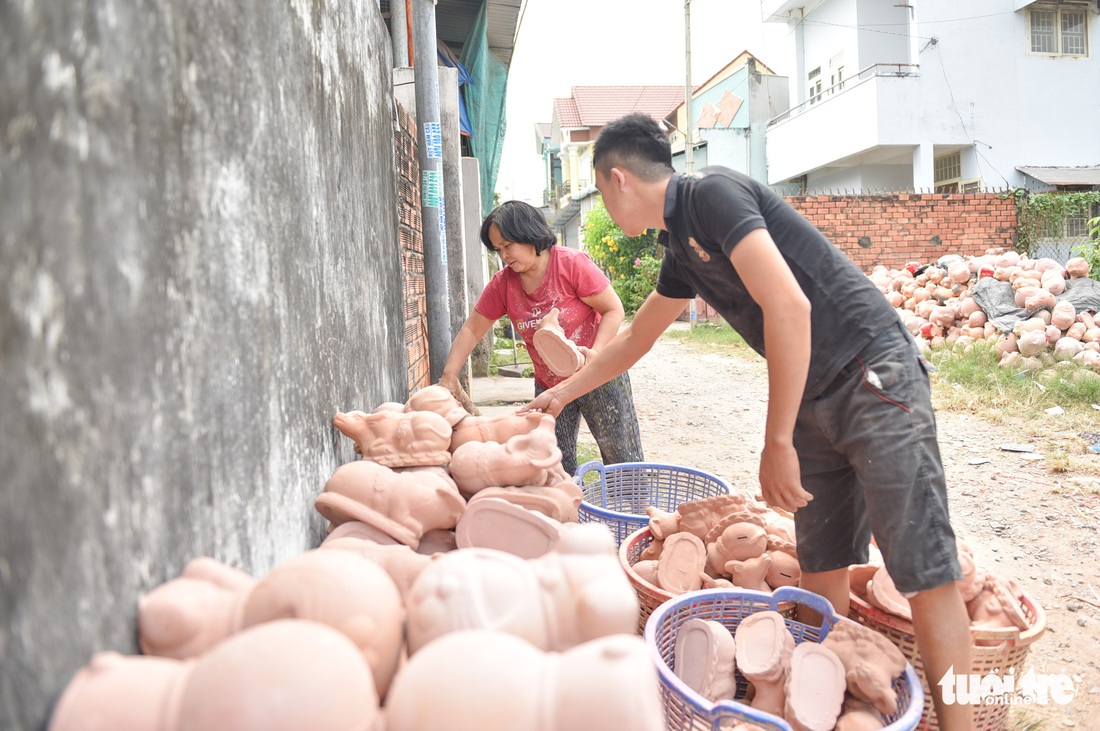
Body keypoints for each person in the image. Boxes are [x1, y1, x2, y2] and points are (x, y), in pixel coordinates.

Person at [523, 114, 973, 729]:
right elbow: (635, 340)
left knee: (924, 570)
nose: (605, 205)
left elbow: (789, 305)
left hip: (873, 375)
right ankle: (821, 708)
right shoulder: (681, 243)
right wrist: (561, 393)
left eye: (601, 193)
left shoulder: (711, 194)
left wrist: (777, 440)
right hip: (815, 391)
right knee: (822, 571)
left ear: (617, 179)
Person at [438, 200, 644, 476]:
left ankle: (636, 513)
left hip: (600, 376)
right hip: (549, 385)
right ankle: (569, 514)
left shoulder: (570, 264)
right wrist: (450, 374)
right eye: (498, 249)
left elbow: (613, 309)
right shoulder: (503, 284)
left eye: (508, 245)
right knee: (553, 464)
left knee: (624, 461)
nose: (504, 256)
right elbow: (472, 329)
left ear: (529, 235)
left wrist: (596, 353)